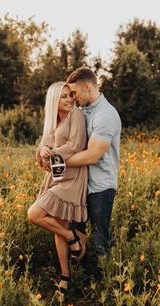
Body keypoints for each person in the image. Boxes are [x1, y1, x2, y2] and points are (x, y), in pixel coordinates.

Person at [27, 82, 87, 294]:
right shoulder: (52, 121)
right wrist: (43, 150)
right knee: (59, 226)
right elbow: (42, 154)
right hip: (55, 176)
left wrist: (51, 152)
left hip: (72, 177)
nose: (70, 99)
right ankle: (65, 276)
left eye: (70, 95)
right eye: (63, 97)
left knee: (34, 213)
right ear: (54, 100)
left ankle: (73, 237)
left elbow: (76, 145)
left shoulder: (77, 115)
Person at [66, 67, 121, 257]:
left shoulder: (105, 114)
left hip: (101, 188)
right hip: (81, 186)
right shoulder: (83, 112)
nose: (72, 97)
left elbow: (92, 155)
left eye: (74, 92)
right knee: (74, 235)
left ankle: (101, 283)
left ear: (87, 86)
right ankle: (78, 278)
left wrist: (61, 162)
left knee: (99, 241)